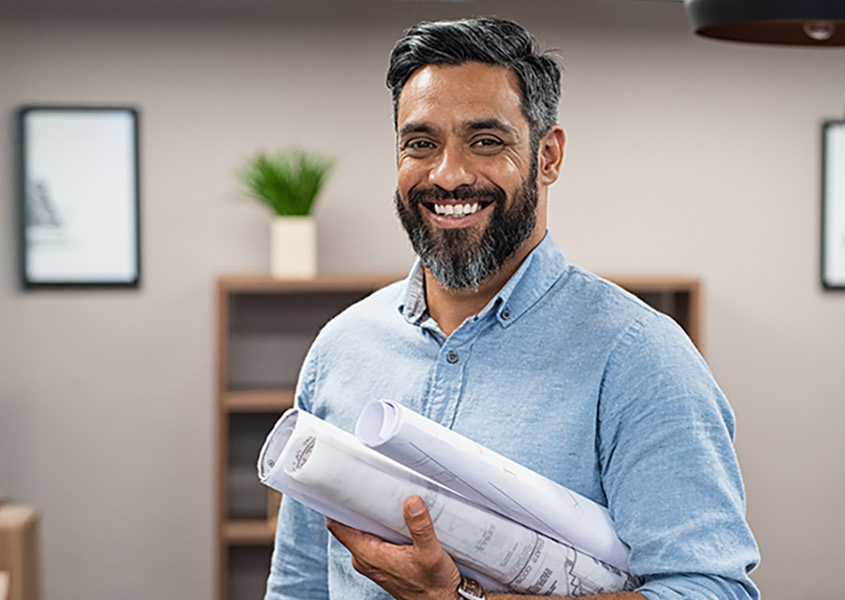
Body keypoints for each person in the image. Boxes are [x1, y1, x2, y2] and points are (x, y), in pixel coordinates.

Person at [262, 17, 759, 600]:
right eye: (421, 144)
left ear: (547, 156)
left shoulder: (639, 357)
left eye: (486, 141)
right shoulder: (341, 347)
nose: (448, 175)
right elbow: (299, 584)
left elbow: (708, 591)